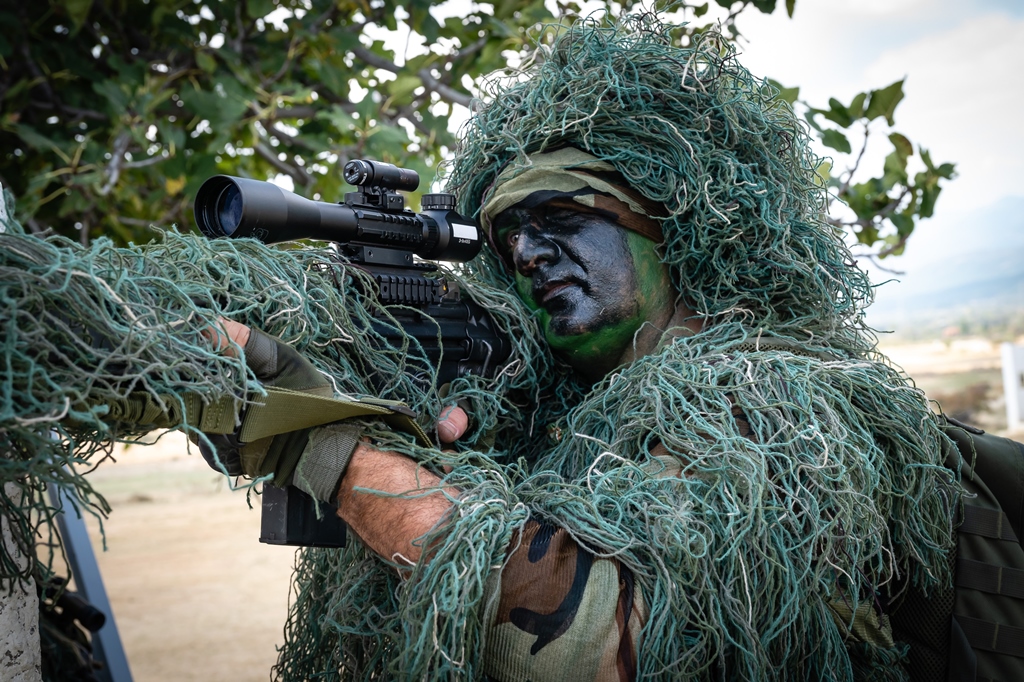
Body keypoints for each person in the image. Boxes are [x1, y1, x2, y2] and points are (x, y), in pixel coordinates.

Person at [205, 16, 959, 682]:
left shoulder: (779, 402)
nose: (528, 252)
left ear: (660, 229)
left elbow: (601, 650)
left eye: (560, 215)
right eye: (507, 239)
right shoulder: (569, 420)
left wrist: (324, 445)